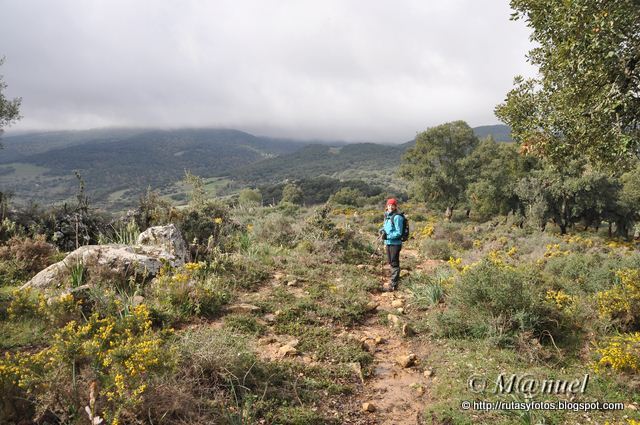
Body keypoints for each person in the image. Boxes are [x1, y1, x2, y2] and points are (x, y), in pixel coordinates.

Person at [379, 198, 404, 291]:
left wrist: (388, 236)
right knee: (390, 262)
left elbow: (399, 232)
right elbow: (386, 228)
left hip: (395, 243)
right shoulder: (387, 216)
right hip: (388, 242)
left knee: (394, 263)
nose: (390, 207)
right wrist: (382, 230)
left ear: (395, 206)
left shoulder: (397, 217)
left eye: (392, 205)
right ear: (387, 206)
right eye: (389, 205)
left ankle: (393, 285)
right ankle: (393, 282)